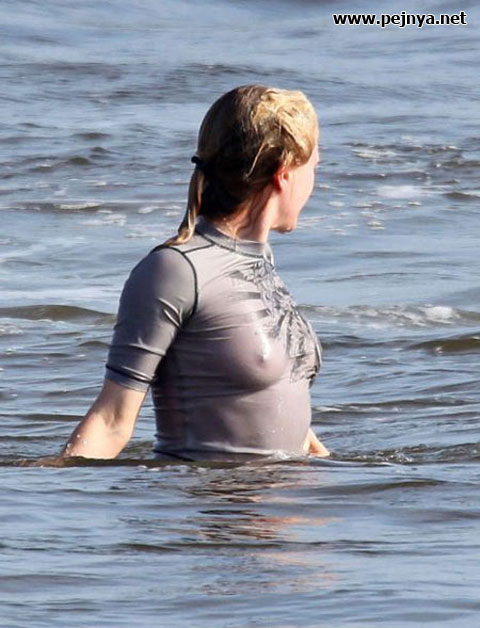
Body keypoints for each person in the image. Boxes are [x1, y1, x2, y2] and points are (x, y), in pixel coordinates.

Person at [61, 85, 330, 462]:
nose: (314, 183)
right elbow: (111, 420)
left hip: (287, 495)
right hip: (206, 499)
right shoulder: (176, 271)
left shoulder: (258, 265)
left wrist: (342, 477)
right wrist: (40, 488)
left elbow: (275, 410)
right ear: (284, 174)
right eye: (314, 167)